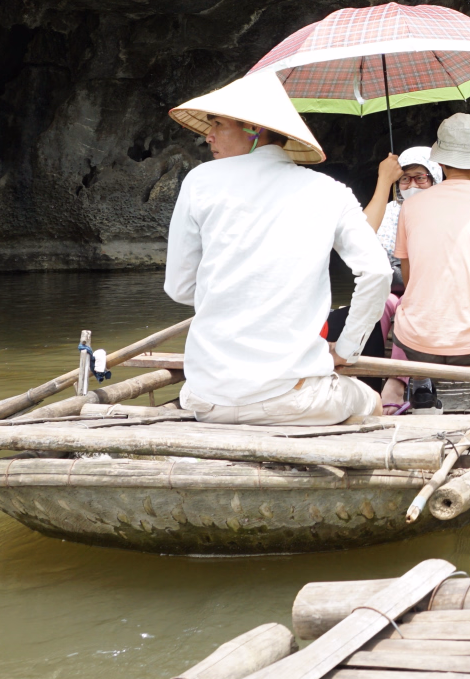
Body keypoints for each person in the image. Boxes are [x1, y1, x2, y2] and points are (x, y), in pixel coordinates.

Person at [164, 70, 389, 426]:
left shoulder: (199, 182)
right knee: (372, 400)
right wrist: (346, 350)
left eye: (218, 124)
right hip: (296, 398)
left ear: (255, 128)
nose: (207, 136)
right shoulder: (329, 191)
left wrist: (233, 293)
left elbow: (179, 288)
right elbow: (377, 272)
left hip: (207, 400)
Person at [385, 114, 470, 407]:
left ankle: (423, 386)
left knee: (417, 296)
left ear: (442, 163)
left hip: (417, 346)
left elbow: (409, 280)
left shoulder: (410, 208)